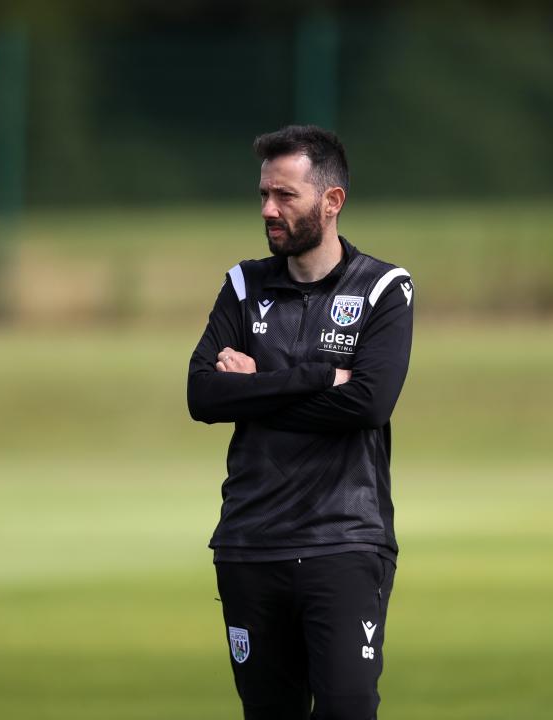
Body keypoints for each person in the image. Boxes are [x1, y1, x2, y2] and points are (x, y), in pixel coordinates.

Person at [187, 125, 414, 720]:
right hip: (249, 544)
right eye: (264, 194)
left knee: (346, 711)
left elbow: (367, 404)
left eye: (285, 195)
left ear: (331, 201)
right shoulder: (243, 284)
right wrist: (317, 376)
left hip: (344, 540)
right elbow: (203, 395)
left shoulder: (383, 289)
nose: (268, 209)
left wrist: (254, 385)